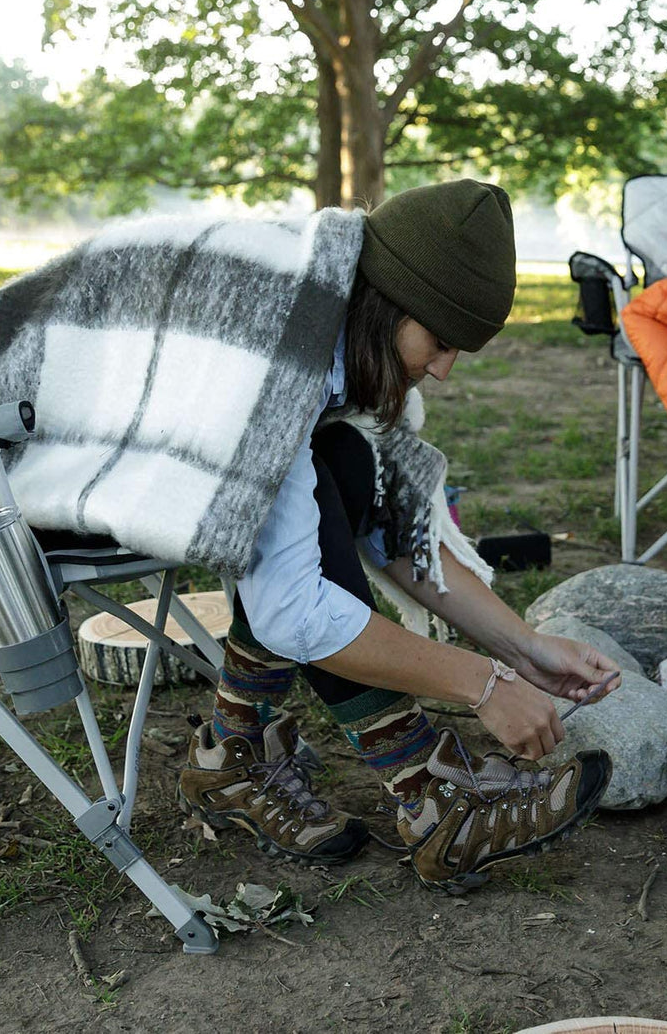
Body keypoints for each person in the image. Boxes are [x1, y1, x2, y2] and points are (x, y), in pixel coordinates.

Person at [176, 179, 621, 894]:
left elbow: (400, 539)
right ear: (385, 302)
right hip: (30, 473)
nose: (441, 370)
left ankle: (227, 754)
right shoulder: (281, 351)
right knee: (326, 482)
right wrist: (484, 685)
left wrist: (523, 648)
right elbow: (295, 611)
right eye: (439, 343)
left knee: (349, 464)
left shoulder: (336, 335)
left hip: (207, 459)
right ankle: (430, 796)